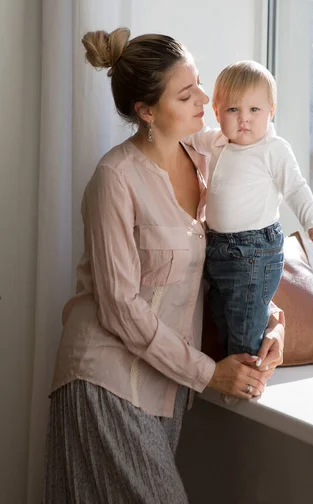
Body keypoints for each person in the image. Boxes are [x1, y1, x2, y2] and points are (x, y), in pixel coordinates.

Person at [43, 29, 285, 504]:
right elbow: (117, 307)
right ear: (147, 111)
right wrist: (207, 373)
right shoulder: (114, 179)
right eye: (185, 93)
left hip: (167, 388)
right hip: (104, 382)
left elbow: (239, 257)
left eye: (198, 83)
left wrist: (272, 322)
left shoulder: (209, 159)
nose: (203, 98)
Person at [184, 60, 313, 370]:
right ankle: (231, 368)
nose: (244, 120)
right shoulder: (217, 142)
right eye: (233, 110)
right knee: (218, 312)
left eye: (255, 110)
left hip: (255, 250)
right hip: (217, 247)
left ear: (271, 111)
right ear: (217, 113)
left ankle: (248, 376)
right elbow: (186, 137)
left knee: (244, 320)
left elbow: (295, 188)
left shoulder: (273, 149)